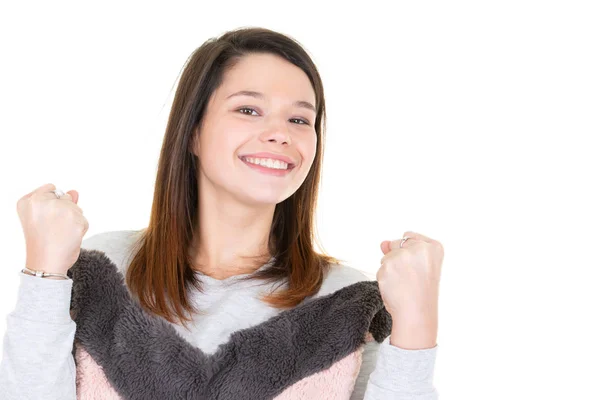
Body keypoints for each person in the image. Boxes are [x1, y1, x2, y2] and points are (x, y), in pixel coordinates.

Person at [1, 27, 440, 399]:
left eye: (300, 120)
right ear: (192, 131)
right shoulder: (101, 269)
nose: (279, 135)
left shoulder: (346, 300)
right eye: (249, 110)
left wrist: (416, 324)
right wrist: (44, 274)